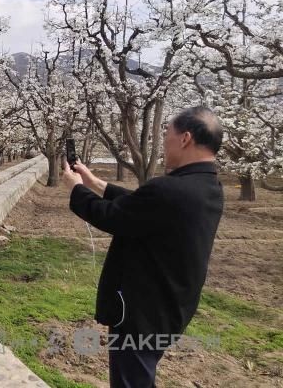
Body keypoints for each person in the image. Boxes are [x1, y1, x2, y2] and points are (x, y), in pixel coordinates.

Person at [60, 106, 224, 388]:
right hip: (170, 307)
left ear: (185, 138)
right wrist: (95, 182)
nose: (163, 143)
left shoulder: (168, 190)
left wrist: (76, 189)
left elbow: (114, 217)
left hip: (140, 312)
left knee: (131, 381)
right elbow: (144, 206)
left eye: (167, 134)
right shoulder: (208, 187)